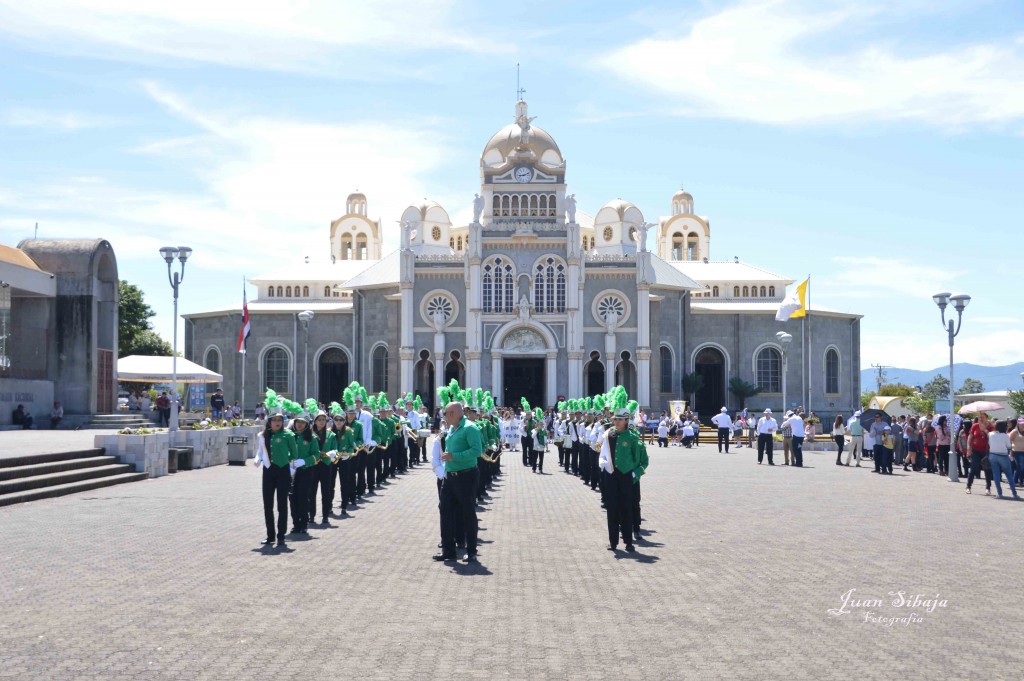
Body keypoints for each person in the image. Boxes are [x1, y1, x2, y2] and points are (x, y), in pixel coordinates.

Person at [435, 401, 482, 564]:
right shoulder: (453, 429)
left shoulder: (470, 428)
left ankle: (471, 551)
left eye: (446, 414)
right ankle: (448, 551)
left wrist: (454, 456)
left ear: (453, 414)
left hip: (466, 476)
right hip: (450, 476)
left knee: (468, 512)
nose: (444, 417)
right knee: (445, 511)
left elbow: (477, 451)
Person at [598, 403, 647, 553]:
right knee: (612, 508)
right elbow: (602, 453)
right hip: (611, 475)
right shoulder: (608, 435)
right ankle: (613, 541)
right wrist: (602, 462)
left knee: (626, 508)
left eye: (620, 419)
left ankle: (628, 542)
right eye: (615, 419)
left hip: (626, 476)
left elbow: (640, 460)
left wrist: (634, 473)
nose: (617, 422)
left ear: (626, 420)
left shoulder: (632, 437)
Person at [254, 401, 297, 547]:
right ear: (269, 421)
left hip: (283, 470)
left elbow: (294, 454)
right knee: (268, 504)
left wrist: (291, 466)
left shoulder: (288, 435)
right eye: (274, 420)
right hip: (268, 471)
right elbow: (260, 452)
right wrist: (258, 459)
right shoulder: (264, 435)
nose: (277, 422)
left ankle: (281, 535)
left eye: (280, 420)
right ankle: (270, 535)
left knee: (282, 505)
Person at [289, 409, 319, 536]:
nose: (300, 425)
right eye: (298, 422)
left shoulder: (312, 438)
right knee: (292, 497)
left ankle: (304, 523)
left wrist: (304, 461)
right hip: (291, 471)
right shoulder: (290, 436)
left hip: (305, 470)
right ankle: (295, 523)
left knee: (302, 496)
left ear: (307, 424)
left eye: (303, 422)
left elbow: (316, 455)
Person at [309, 410, 338, 524]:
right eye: (319, 420)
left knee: (326, 491)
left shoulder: (331, 435)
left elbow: (335, 449)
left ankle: (325, 515)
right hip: (314, 465)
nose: (321, 422)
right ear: (315, 421)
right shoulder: (310, 434)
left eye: (323, 420)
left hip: (326, 465)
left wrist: (332, 453)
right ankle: (311, 515)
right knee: (312, 491)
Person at [986, 420, 1019, 499]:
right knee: (1009, 475)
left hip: (993, 455)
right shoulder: (1005, 436)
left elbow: (989, 444)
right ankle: (1014, 493)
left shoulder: (990, 434)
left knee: (996, 475)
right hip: (1003, 456)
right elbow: (1008, 446)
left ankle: (999, 493)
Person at [966, 416, 993, 495]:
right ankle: (968, 486)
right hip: (976, 450)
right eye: (980, 418)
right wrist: (969, 448)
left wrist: (985, 429)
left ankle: (988, 488)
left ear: (986, 418)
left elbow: (991, 437)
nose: (981, 419)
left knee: (987, 469)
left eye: (983, 418)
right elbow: (970, 437)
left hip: (986, 451)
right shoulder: (975, 426)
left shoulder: (990, 427)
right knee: (973, 468)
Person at [1011, 418, 1024, 487]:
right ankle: (1016, 480)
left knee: (1022, 467)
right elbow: (1009, 440)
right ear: (1018, 424)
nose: (1022, 425)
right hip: (1017, 451)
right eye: (1021, 424)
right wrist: (1010, 451)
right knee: (1020, 466)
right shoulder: (1015, 431)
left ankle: (1020, 481)